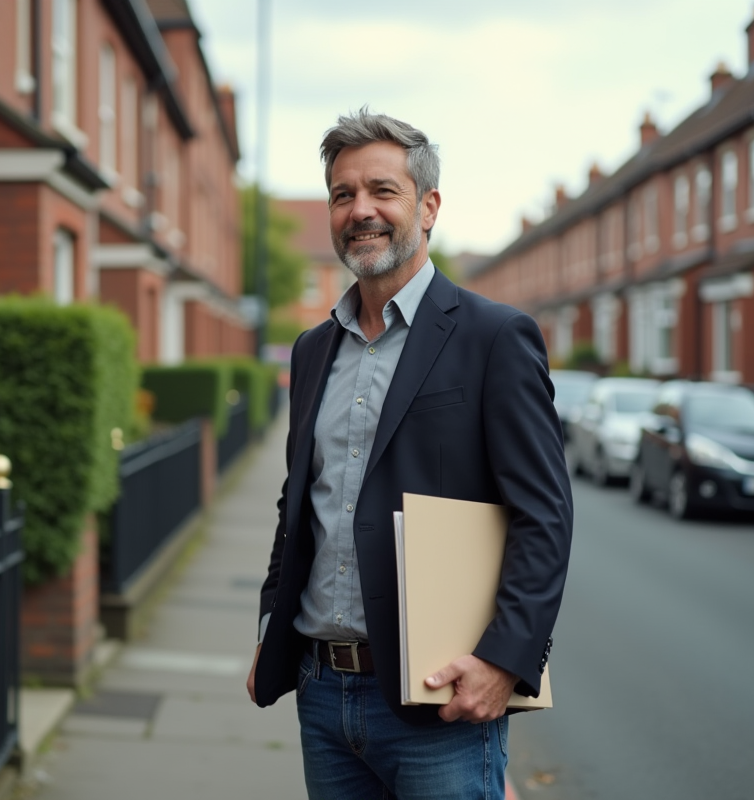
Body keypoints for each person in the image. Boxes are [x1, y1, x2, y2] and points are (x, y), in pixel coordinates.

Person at [246, 109, 574, 800]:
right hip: (320, 690)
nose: (360, 210)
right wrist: (273, 625)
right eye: (343, 194)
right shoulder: (312, 351)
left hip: (439, 700)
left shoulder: (495, 337)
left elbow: (543, 516)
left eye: (382, 191)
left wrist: (502, 662)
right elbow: (297, 502)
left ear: (427, 208)